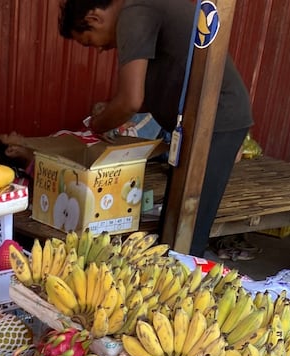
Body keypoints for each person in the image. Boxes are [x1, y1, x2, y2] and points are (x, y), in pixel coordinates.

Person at [57, 0, 253, 256]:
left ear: (94, 18)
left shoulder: (133, 12)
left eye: (89, 41)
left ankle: (185, 286)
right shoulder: (141, 9)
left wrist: (95, 126)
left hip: (217, 120)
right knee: (175, 223)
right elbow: (156, 84)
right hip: (201, 122)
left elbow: (130, 100)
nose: (100, 50)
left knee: (188, 228)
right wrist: (110, 110)